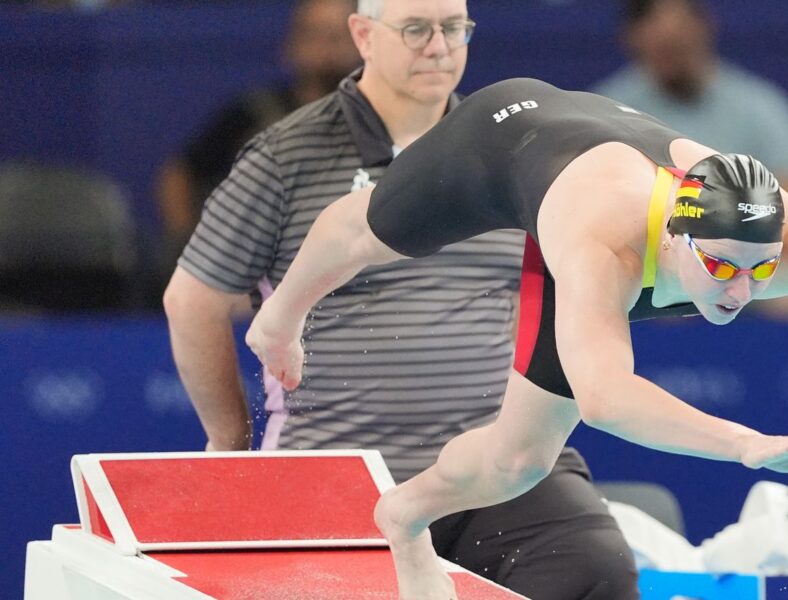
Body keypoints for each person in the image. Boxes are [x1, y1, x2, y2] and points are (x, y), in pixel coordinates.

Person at [244, 77, 788, 599]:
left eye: (757, 270)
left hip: (600, 171)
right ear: (676, 233)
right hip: (512, 139)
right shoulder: (603, 242)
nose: (739, 289)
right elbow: (607, 400)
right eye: (721, 266)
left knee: (519, 461)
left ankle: (403, 514)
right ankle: (280, 318)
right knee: (374, 233)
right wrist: (743, 444)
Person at [162, 1, 639, 598]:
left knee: (595, 569)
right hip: (335, 471)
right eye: (416, 29)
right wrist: (231, 448)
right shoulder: (285, 156)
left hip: (493, 464)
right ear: (363, 35)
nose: (438, 46)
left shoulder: (518, 149)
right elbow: (192, 302)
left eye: (453, 29)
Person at [155, 0, 361, 270]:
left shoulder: (380, 119)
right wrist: (190, 249)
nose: (325, 51)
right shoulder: (255, 114)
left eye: (336, 37)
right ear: (291, 45)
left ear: (363, 43)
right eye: (313, 35)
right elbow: (178, 176)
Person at [593, 0, 788, 216]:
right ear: (631, 39)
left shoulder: (760, 106)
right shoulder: (606, 112)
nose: (672, 58)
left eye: (679, 45)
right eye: (662, 49)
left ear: (704, 28)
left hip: (744, 254)